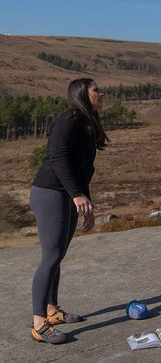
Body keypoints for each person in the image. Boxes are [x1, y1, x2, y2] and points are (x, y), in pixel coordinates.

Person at [30, 78, 108, 343]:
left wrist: (86, 203)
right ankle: (39, 322)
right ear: (82, 94)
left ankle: (52, 310)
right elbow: (58, 157)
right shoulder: (69, 119)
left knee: (58, 254)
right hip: (50, 192)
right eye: (96, 89)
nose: (101, 93)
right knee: (51, 255)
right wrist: (76, 195)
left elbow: (84, 168)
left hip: (68, 193)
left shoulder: (88, 121)